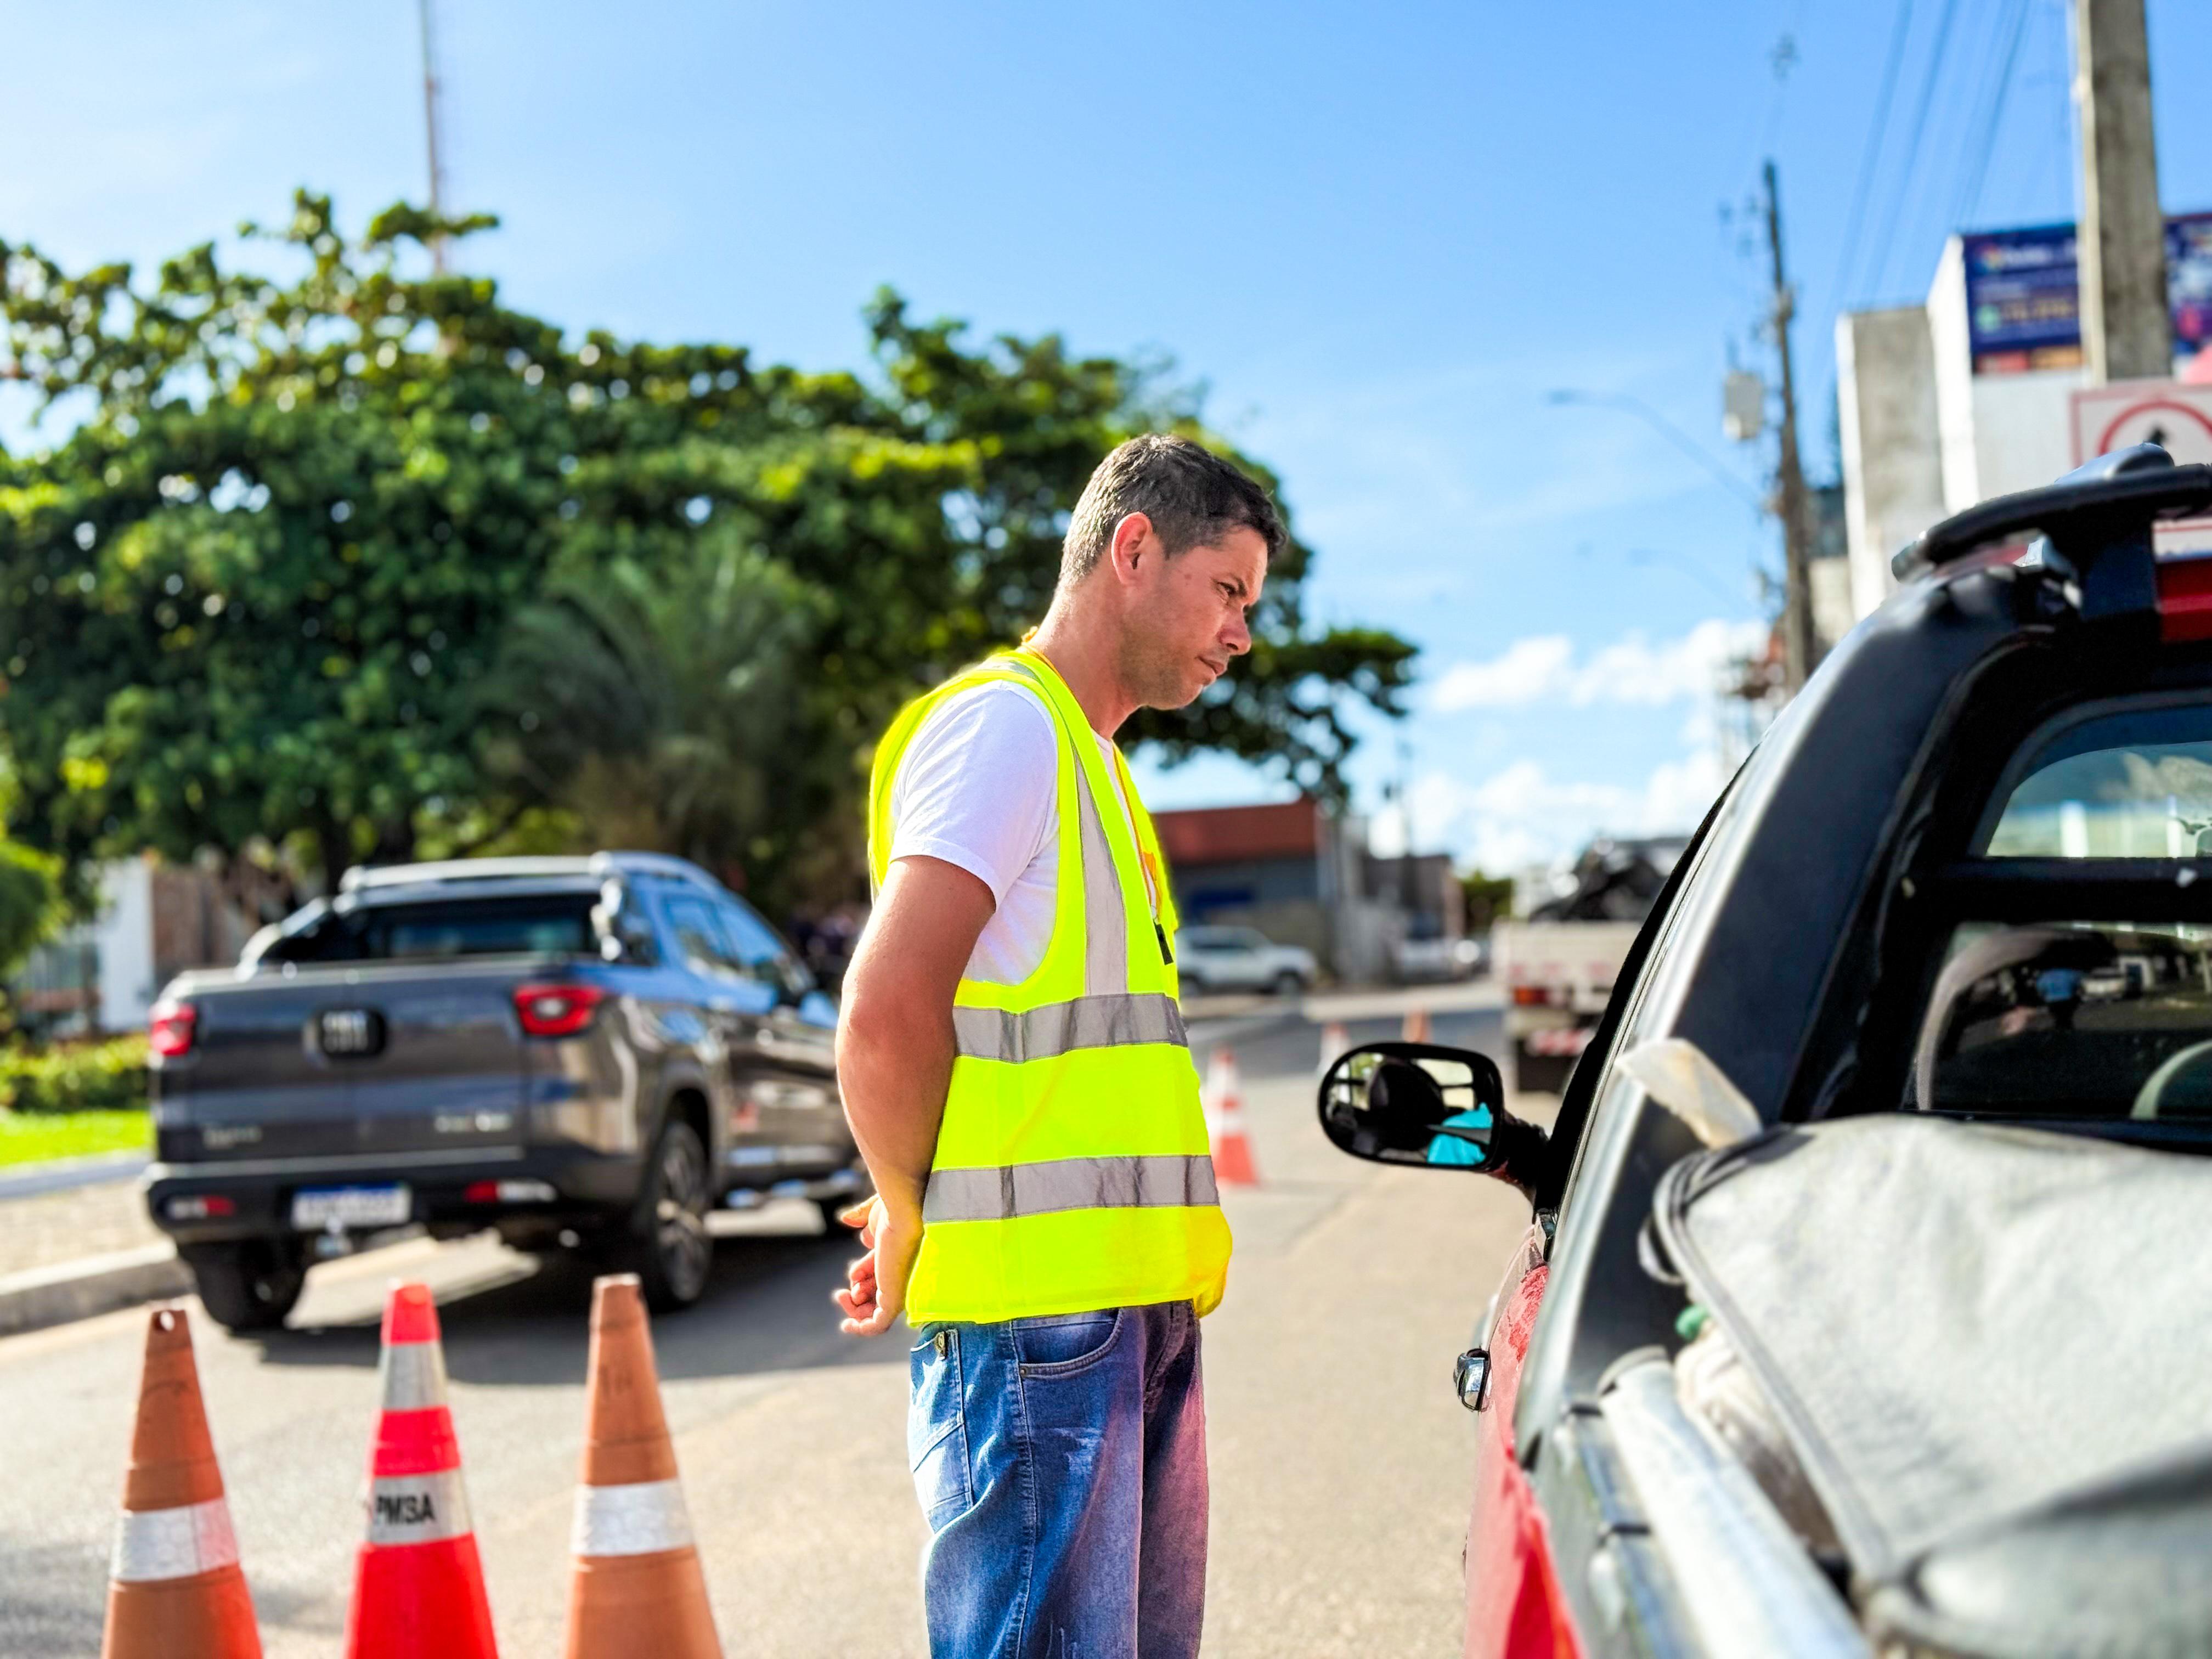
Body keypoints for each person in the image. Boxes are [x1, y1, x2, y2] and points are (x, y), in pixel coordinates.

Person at [832, 433, 1283, 1657]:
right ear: (1135, 549)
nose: (1241, 632)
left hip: (1120, 1311)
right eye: (1228, 590)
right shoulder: (1007, 733)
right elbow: (885, 1009)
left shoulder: (1098, 772)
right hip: (1040, 1332)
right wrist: (903, 1202)